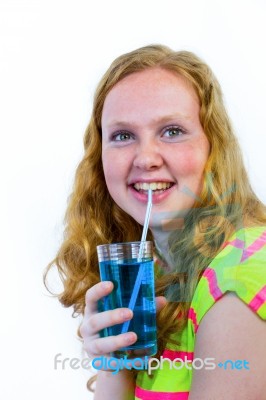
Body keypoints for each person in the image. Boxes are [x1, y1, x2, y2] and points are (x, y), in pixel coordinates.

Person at [45, 44, 266, 399]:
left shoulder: (241, 277)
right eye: (122, 135)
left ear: (214, 146)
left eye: (172, 131)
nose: (146, 157)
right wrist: (114, 362)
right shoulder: (155, 276)